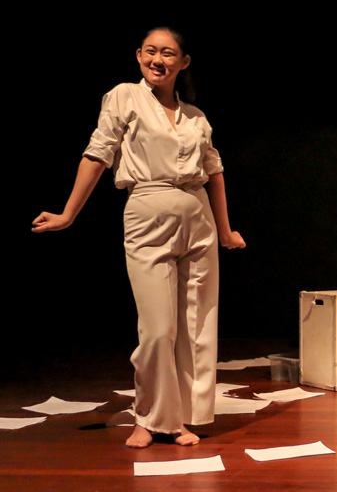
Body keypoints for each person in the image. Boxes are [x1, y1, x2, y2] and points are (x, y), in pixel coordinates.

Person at [32, 28, 245, 448]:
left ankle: (181, 417)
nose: (158, 59)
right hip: (148, 210)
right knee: (157, 328)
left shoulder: (197, 116)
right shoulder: (124, 96)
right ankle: (148, 417)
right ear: (138, 56)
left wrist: (224, 229)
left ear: (183, 62)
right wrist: (68, 213)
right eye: (151, 52)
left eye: (168, 53)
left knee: (195, 325)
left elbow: (214, 172)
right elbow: (98, 153)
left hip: (196, 215)